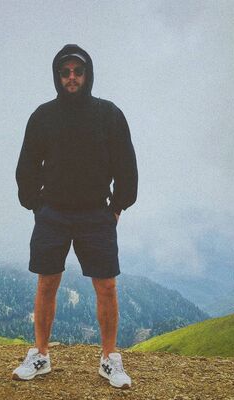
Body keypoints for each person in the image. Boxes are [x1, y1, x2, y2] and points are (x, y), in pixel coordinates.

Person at [14, 44, 138, 389]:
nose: (72, 77)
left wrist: (118, 206)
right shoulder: (43, 116)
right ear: (57, 76)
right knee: (47, 283)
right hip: (52, 213)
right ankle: (40, 355)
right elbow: (27, 164)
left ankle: (109, 358)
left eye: (78, 72)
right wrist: (35, 204)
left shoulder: (109, 114)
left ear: (88, 74)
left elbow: (126, 164)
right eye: (65, 72)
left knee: (107, 286)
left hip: (96, 213)